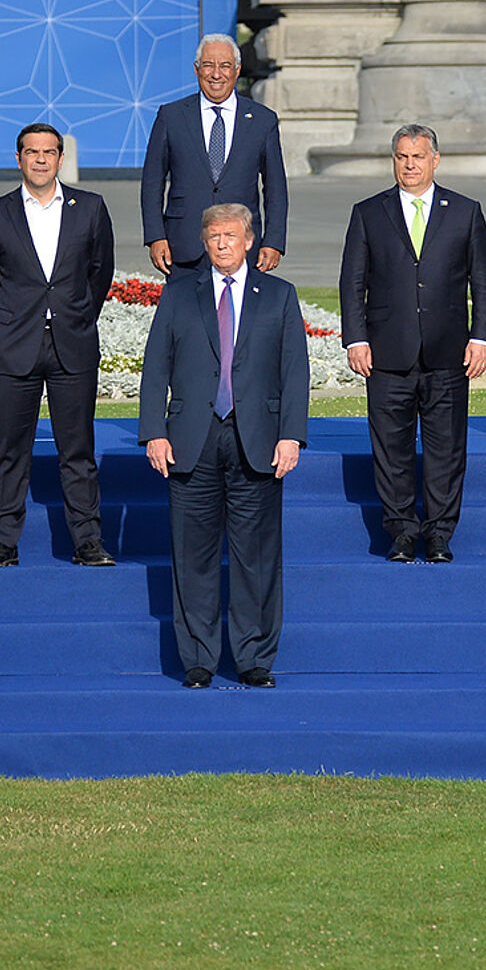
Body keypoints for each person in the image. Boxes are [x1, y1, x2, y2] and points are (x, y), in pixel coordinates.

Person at [140, 203, 309, 688]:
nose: (221, 244)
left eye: (230, 236)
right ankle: (198, 658)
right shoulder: (178, 294)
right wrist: (154, 430)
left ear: (249, 240)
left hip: (257, 440)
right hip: (191, 439)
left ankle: (253, 658)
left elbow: (295, 370)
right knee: (192, 555)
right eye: (213, 236)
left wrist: (291, 435)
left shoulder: (278, 295)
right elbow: (157, 366)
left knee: (255, 557)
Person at [338, 124, 486, 563]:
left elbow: (483, 281)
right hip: (388, 353)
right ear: (393, 161)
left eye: (418, 157)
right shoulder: (368, 212)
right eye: (402, 157)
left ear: (435, 160)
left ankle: (440, 532)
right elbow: (353, 283)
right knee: (392, 448)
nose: (409, 165)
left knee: (446, 448)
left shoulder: (465, 211)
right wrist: (356, 339)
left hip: (448, 353)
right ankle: (403, 531)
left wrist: (480, 337)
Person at [0, 124, 117, 569]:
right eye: (31, 152)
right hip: (16, 346)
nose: (39, 160)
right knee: (10, 448)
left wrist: (76, 316)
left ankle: (88, 541)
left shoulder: (89, 208)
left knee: (78, 449)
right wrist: (8, 321)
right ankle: (2, 542)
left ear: (59, 158)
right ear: (18, 158)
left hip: (73, 344)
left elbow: (100, 272)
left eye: (48, 152)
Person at [139, 34, 287, 275]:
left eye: (225, 66)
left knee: (237, 314)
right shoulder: (172, 116)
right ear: (197, 70)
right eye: (208, 65)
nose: (216, 74)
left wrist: (273, 241)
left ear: (237, 70)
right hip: (184, 247)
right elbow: (152, 182)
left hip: (243, 246)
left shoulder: (262, 120)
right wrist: (156, 237)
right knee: (187, 313)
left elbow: (276, 188)